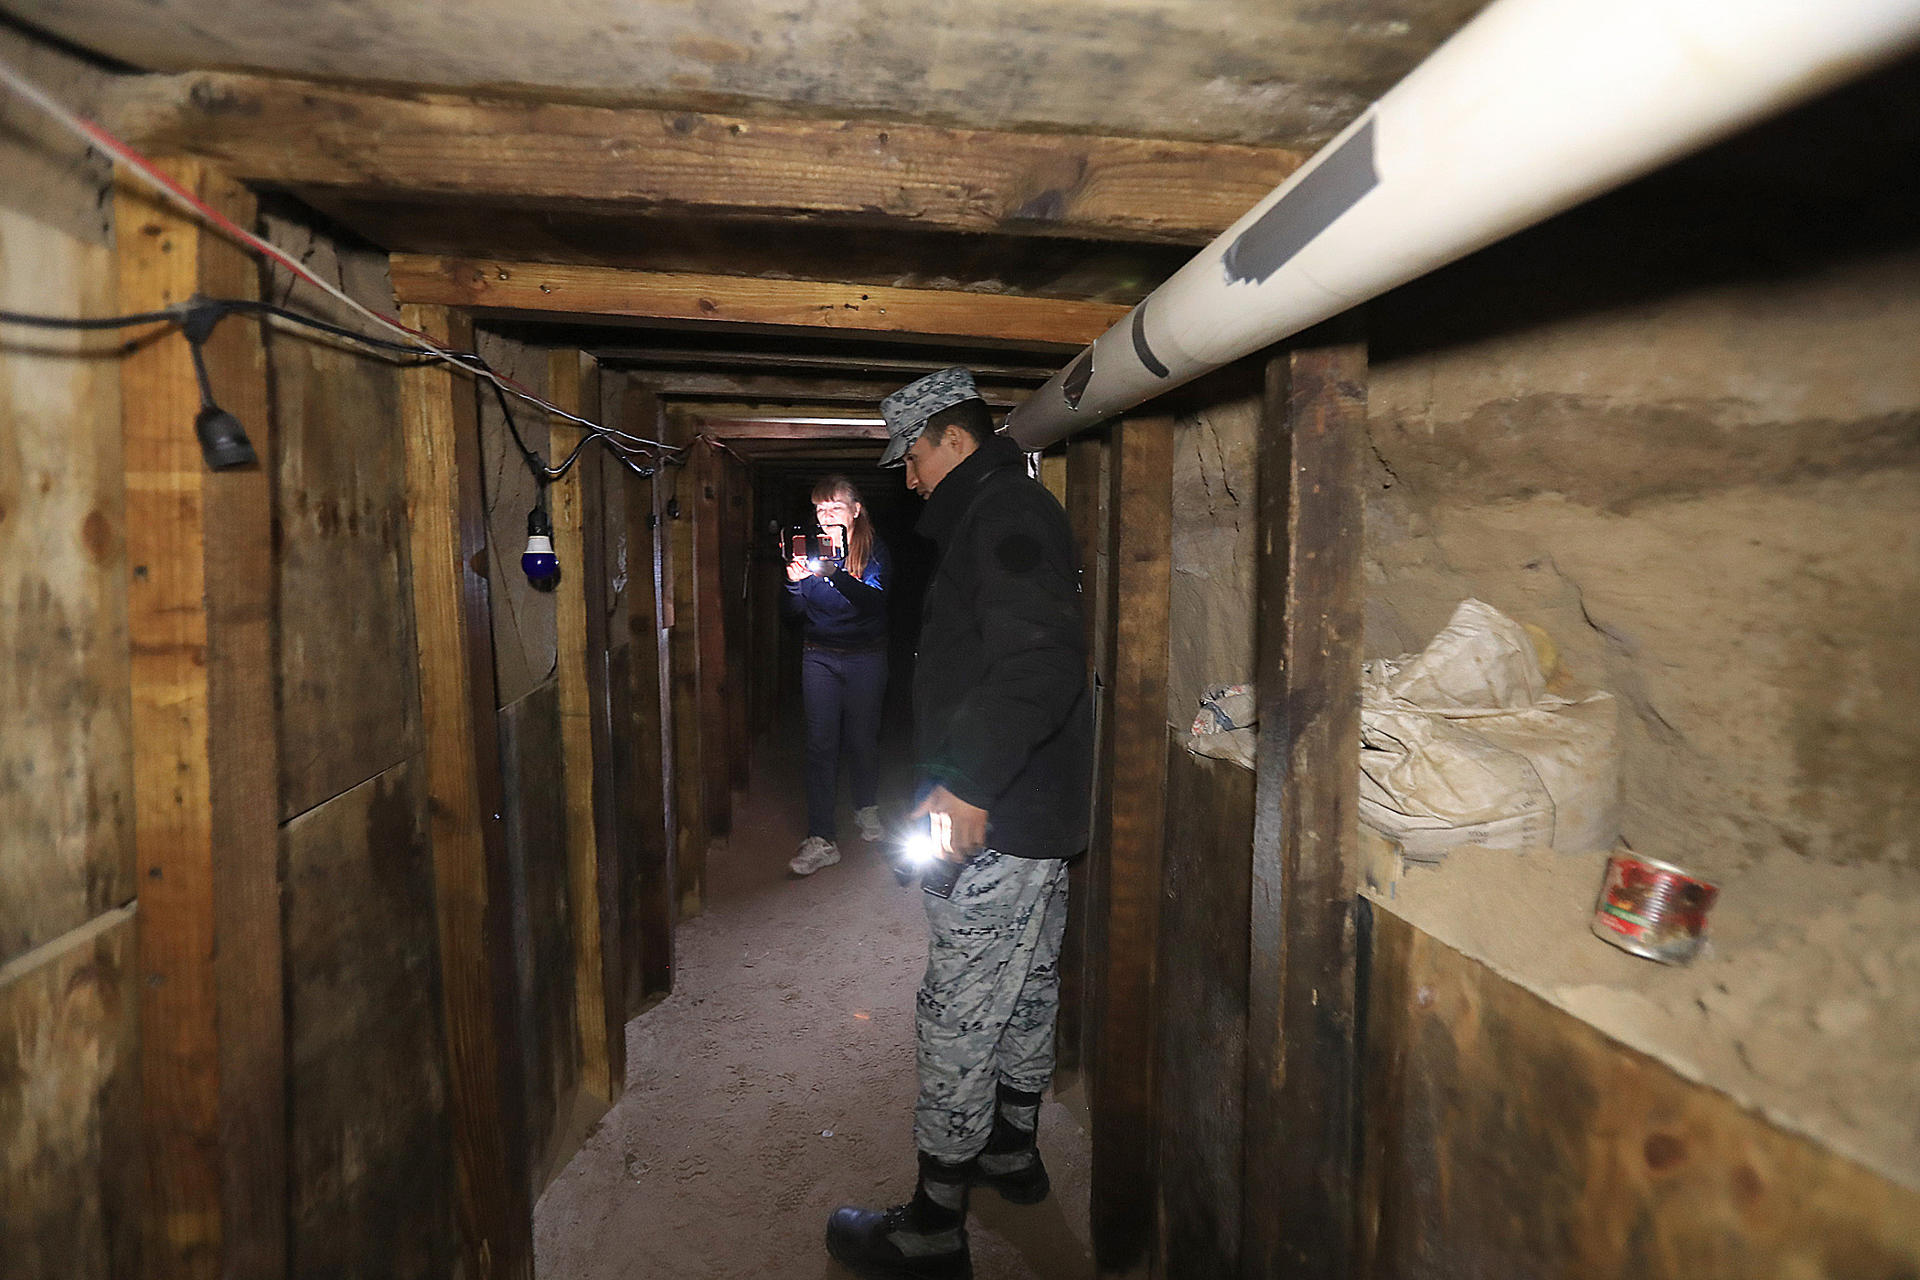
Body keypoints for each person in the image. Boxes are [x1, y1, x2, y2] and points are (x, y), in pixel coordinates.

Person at [825, 368, 1092, 1280]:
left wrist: (968, 784)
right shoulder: (1000, 511)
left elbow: (1041, 663)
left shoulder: (1006, 517)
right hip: (1032, 811)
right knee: (1023, 987)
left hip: (998, 815)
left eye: (912, 458)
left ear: (950, 437)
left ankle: (933, 1225)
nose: (907, 480)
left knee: (957, 1010)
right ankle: (1011, 1157)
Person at [784, 475, 892, 876]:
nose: (825, 515)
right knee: (820, 744)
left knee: (863, 738)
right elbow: (791, 615)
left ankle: (866, 808)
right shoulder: (806, 548)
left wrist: (835, 573)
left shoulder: (873, 549)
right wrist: (794, 585)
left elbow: (874, 604)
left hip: (865, 656)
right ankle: (821, 838)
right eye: (819, 508)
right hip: (820, 656)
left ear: (855, 510)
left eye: (834, 507)